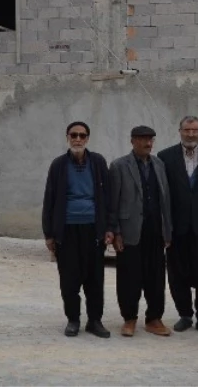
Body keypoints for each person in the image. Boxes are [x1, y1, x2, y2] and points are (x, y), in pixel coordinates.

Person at [41, 121, 113, 338]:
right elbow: (49, 200)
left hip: (93, 229)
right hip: (67, 229)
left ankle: (94, 320)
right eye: (74, 135)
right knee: (69, 279)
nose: (78, 139)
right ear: (67, 137)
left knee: (95, 279)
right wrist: (49, 234)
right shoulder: (58, 165)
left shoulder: (98, 162)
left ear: (88, 138)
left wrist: (109, 228)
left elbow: (108, 197)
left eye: (82, 135)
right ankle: (73, 319)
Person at [157, 116, 198, 334]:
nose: (191, 134)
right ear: (180, 131)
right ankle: (185, 314)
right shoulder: (165, 157)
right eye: (187, 130)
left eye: (195, 130)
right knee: (177, 274)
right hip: (177, 228)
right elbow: (163, 195)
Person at [108, 124, 173, 337]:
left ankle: (154, 318)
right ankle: (129, 318)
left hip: (155, 229)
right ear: (132, 141)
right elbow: (113, 202)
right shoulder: (119, 166)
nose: (148, 143)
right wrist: (115, 231)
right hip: (129, 230)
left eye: (151, 139)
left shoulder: (159, 164)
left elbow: (165, 200)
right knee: (129, 277)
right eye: (143, 139)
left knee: (155, 276)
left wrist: (167, 230)